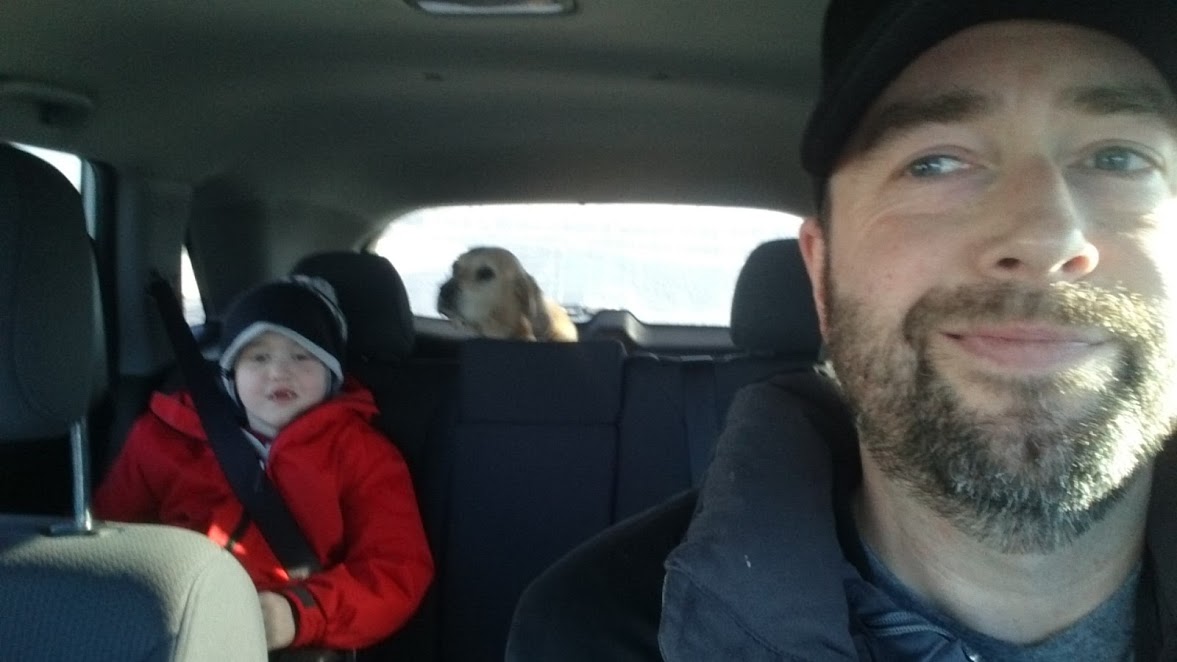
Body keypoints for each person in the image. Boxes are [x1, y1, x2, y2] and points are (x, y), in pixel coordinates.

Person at [506, 0, 1177, 660]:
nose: (1046, 237)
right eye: (934, 163)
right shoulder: (596, 634)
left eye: (1120, 159)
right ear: (821, 278)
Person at [95, 276, 434, 656]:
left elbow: (395, 570)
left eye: (302, 356)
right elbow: (109, 540)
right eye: (258, 357)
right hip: (167, 625)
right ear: (231, 375)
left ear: (332, 374)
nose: (279, 372)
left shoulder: (362, 453)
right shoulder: (163, 437)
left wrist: (300, 613)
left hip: (288, 637)